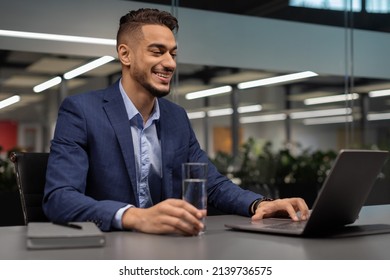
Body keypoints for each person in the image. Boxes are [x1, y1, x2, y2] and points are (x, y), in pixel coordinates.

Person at [43, 8, 309, 235]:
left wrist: (259, 204)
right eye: (157, 52)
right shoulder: (81, 111)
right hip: (107, 252)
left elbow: (211, 183)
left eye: (173, 53)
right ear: (125, 55)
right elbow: (59, 199)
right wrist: (134, 216)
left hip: (169, 249)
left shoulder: (175, 117)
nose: (169, 63)